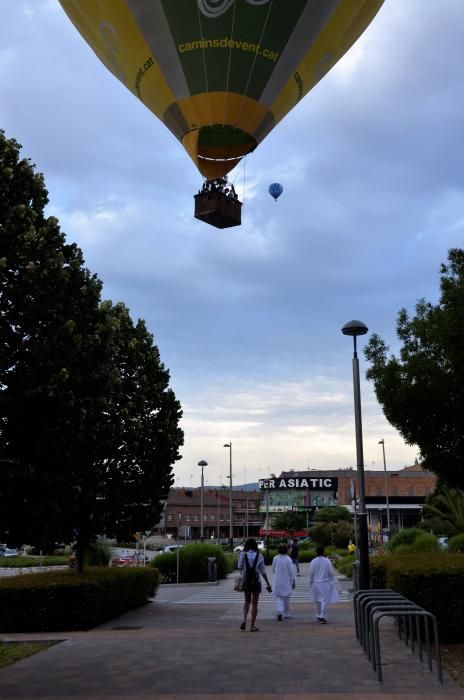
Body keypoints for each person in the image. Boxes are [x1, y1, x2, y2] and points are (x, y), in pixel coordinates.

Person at [238, 538, 272, 632]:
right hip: (256, 582)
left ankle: (244, 620)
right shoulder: (260, 556)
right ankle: (252, 626)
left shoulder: (242, 554)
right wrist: (268, 583)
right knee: (255, 603)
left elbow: (239, 566)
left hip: (246, 582)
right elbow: (263, 572)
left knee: (247, 601)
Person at [308, 545, 339, 624]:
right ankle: (322, 615)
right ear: (323, 552)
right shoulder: (327, 561)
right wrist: (332, 581)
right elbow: (331, 572)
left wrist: (311, 582)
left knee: (317, 600)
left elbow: (311, 573)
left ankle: (318, 615)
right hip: (325, 582)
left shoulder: (313, 561)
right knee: (324, 600)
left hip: (315, 583)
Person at [272, 543, 295, 621]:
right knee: (286, 597)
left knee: (279, 597)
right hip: (286, 581)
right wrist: (293, 581)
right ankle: (286, 613)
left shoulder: (275, 558)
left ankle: (279, 612)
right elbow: (291, 571)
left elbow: (273, 570)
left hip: (277, 580)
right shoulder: (288, 559)